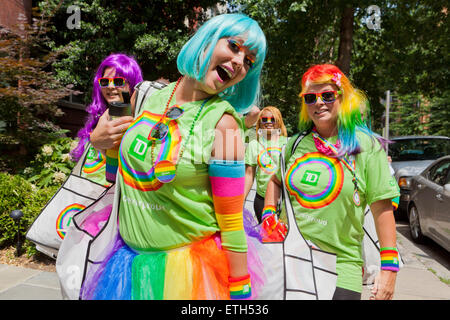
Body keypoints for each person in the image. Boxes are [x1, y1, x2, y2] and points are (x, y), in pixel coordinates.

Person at [81, 13, 267, 300]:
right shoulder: (144, 96)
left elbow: (231, 221)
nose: (240, 62)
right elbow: (115, 176)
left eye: (249, 61)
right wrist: (100, 142)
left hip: (189, 278)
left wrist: (240, 289)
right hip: (127, 265)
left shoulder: (226, 125)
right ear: (206, 40)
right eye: (234, 46)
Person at [264, 64, 400, 300]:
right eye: (310, 97)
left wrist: (389, 269)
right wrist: (268, 214)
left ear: (342, 97)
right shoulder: (294, 144)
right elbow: (275, 180)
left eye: (327, 95)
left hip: (341, 268)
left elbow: (382, 208)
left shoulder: (365, 146)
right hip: (290, 261)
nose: (319, 103)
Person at [70, 53, 143, 186]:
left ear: (132, 84)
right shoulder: (98, 119)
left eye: (118, 81)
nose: (110, 87)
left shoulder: (141, 122)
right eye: (105, 82)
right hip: (87, 197)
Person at [244, 106, 288, 223]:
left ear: (279, 121)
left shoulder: (288, 143)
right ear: (260, 123)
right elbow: (249, 175)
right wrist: (240, 201)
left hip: (284, 200)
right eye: (264, 119)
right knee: (265, 237)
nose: (268, 123)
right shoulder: (254, 144)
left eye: (272, 119)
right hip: (261, 200)